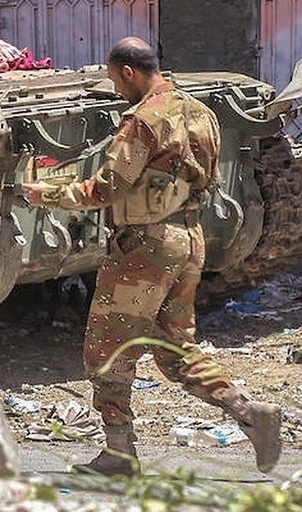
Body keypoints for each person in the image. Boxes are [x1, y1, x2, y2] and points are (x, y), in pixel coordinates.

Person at [22, 37, 282, 477]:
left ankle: (119, 454)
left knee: (105, 350)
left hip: (143, 248)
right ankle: (250, 414)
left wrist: (44, 193)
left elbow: (105, 189)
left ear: (128, 72)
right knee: (176, 350)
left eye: (115, 79)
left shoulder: (141, 121)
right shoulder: (200, 113)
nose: (117, 88)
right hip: (188, 238)